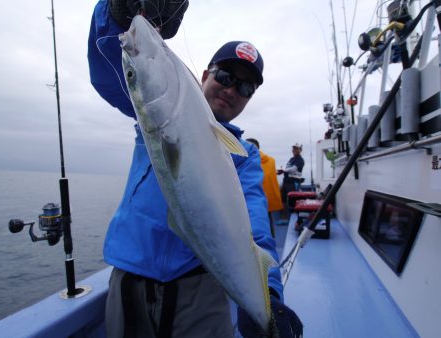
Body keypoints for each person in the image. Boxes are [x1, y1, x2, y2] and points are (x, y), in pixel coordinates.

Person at [88, 1, 302, 337]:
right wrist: (116, 13)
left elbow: (255, 229)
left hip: (201, 293)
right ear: (205, 75)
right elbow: (107, 69)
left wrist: (270, 295)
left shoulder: (245, 157)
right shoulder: (150, 118)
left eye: (245, 87)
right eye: (226, 76)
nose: (232, 89)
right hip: (129, 283)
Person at [246, 138, 283, 237]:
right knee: (267, 222)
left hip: (251, 199)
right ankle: (270, 244)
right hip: (267, 200)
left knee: (252, 224)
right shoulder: (271, 160)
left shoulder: (246, 161)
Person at [277, 144, 305, 222]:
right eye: (293, 149)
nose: (294, 150)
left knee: (292, 200)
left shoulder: (300, 160)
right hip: (286, 181)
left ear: (300, 150)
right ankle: (284, 216)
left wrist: (283, 171)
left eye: (297, 149)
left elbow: (293, 169)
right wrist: (281, 172)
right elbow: (287, 169)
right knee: (283, 199)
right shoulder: (291, 159)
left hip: (293, 183)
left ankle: (295, 218)